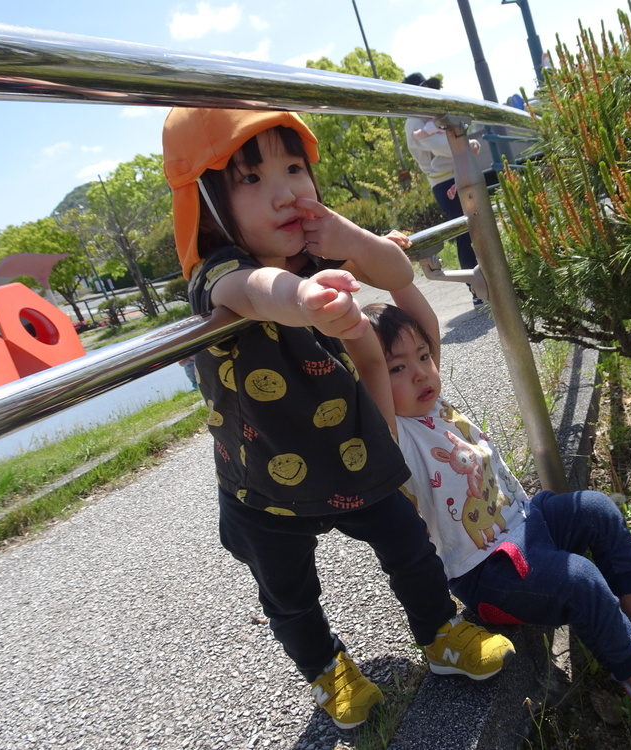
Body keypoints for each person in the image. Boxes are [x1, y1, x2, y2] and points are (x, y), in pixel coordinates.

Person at [160, 107, 515, 731]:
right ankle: (326, 668)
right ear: (210, 210)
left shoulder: (317, 255)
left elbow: (399, 275)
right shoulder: (219, 275)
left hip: (351, 454)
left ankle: (439, 632)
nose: (286, 190)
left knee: (409, 545)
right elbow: (255, 292)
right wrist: (303, 300)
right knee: (289, 595)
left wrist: (352, 243)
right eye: (250, 179)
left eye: (294, 167)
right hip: (263, 481)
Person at [346, 278, 631, 731]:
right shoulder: (395, 436)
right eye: (396, 368)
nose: (420, 372)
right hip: (488, 570)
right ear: (371, 380)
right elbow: (370, 365)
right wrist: (341, 310)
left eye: (423, 357)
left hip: (528, 522)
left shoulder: (433, 405)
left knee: (597, 508)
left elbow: (423, 320)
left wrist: (381, 262)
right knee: (580, 579)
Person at [402, 72, 484, 307]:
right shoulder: (414, 122)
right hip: (445, 180)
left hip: (459, 173)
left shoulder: (428, 117)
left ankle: (487, 281)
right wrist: (468, 145)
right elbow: (443, 147)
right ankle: (477, 288)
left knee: (478, 228)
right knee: (466, 233)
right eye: (423, 89)